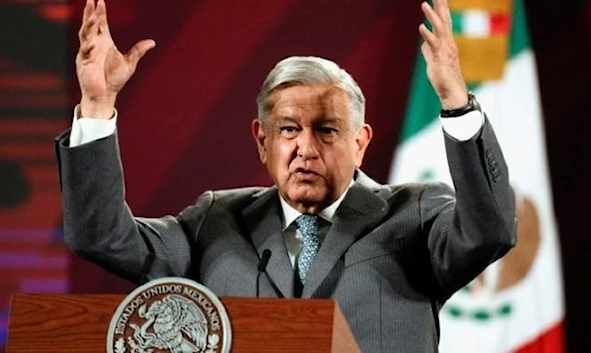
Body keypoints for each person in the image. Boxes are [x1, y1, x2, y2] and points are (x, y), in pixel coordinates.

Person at [55, 0, 517, 352]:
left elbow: (490, 230)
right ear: (262, 140)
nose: (306, 148)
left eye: (327, 130)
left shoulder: (414, 214)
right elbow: (102, 238)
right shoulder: (216, 220)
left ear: (360, 143)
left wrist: (457, 104)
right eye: (289, 130)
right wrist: (97, 107)